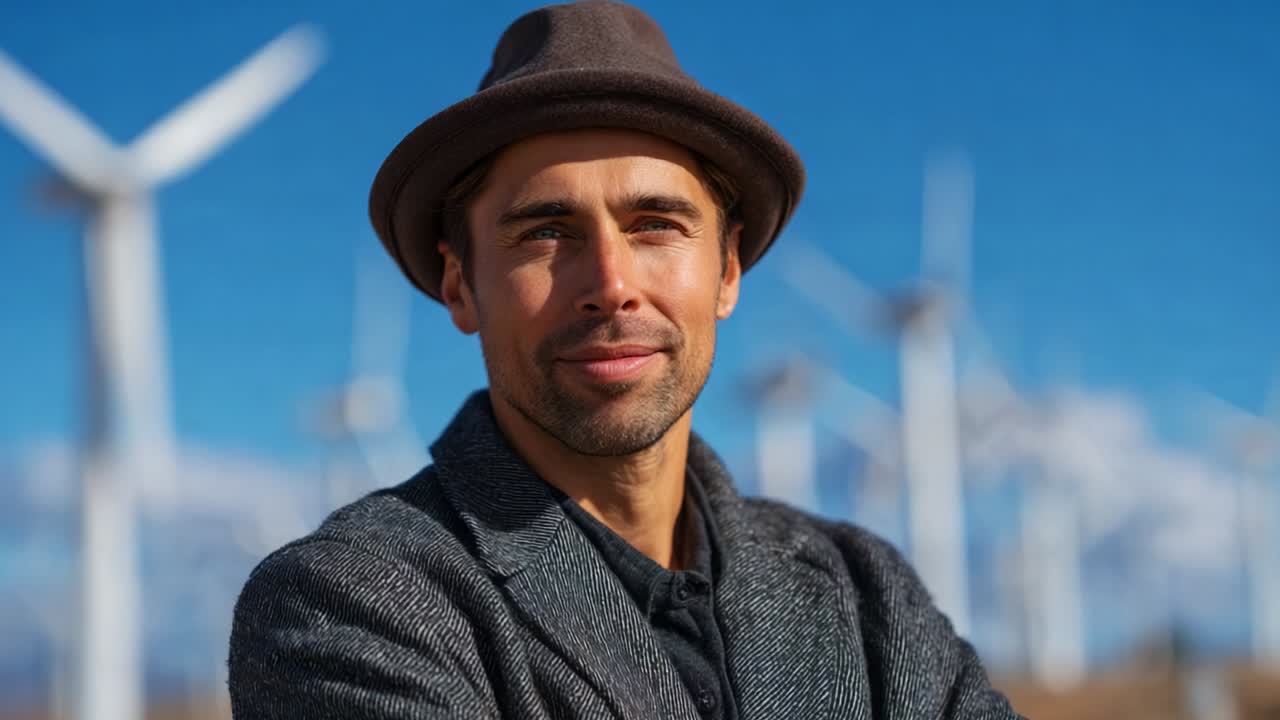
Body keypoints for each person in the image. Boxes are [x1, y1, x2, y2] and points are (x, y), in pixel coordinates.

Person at [228, 2, 1023, 718]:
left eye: (655, 225)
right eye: (544, 231)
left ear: (727, 272)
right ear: (460, 286)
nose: (611, 286)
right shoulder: (347, 603)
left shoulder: (866, 593)